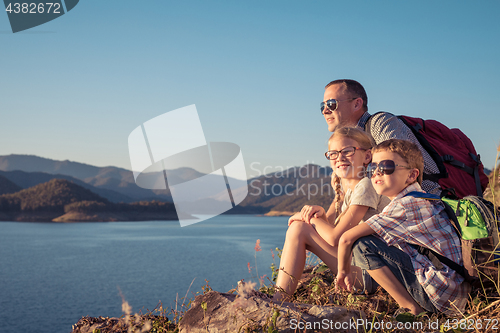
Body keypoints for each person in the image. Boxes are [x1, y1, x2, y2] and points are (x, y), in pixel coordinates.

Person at [336, 139, 470, 315]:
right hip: (455, 292)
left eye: (386, 167)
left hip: (441, 298)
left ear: (411, 175)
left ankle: (411, 309)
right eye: (373, 167)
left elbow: (346, 238)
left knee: (362, 244)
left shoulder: (404, 206)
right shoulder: (423, 197)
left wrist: (342, 271)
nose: (376, 173)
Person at [273, 127, 390, 302]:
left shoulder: (367, 185)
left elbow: (334, 238)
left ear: (367, 156)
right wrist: (319, 214)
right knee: (299, 228)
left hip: (374, 274)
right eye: (333, 153)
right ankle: (278, 298)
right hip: (361, 267)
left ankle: (278, 300)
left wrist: (310, 217)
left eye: (348, 151)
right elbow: (329, 230)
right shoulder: (347, 191)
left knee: (299, 230)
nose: (340, 158)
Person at [321, 79, 442, 195]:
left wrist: (347, 176)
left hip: (424, 204)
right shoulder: (349, 144)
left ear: (357, 104)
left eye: (331, 104)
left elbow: (396, 172)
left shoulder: (381, 123)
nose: (324, 111)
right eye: (323, 105)